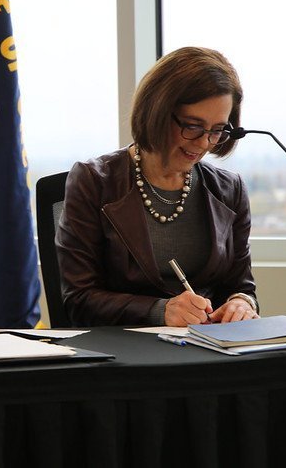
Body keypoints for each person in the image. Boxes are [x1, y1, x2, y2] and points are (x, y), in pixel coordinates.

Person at [56, 47, 258, 327]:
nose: (204, 143)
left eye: (217, 130)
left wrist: (241, 304)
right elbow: (78, 300)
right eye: (192, 126)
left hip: (207, 350)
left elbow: (241, 286)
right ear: (157, 113)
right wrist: (159, 310)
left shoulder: (230, 189)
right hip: (122, 353)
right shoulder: (93, 181)